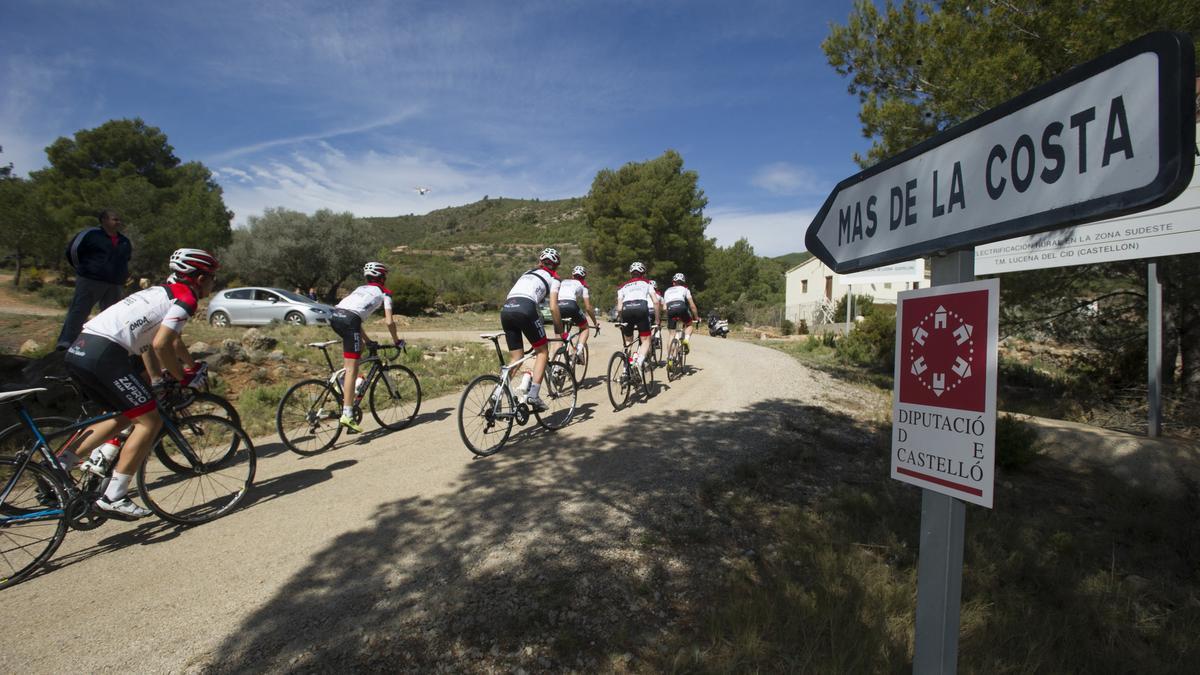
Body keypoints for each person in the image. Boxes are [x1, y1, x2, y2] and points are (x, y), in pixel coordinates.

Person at [61, 248, 218, 519]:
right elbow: (161, 344)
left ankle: (58, 465)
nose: (214, 284)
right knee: (150, 421)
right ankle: (114, 495)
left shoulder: (158, 293)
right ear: (201, 278)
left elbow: (168, 342)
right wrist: (184, 378)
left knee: (124, 416)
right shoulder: (186, 297)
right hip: (106, 356)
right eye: (213, 278)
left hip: (81, 349)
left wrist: (166, 374)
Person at [329, 262, 406, 433]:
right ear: (382, 277)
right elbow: (389, 321)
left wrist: (368, 340)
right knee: (352, 369)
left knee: (360, 347)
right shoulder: (385, 293)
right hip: (350, 321)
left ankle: (342, 382)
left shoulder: (360, 289)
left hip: (336, 316)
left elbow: (354, 317)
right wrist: (396, 341)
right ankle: (347, 414)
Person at [56, 210, 133, 350]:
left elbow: (126, 259)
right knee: (79, 310)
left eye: (119, 220)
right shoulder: (90, 234)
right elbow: (73, 251)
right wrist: (84, 270)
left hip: (115, 283)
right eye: (115, 219)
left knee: (111, 315)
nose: (118, 222)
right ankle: (66, 342)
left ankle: (104, 346)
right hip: (90, 280)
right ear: (104, 220)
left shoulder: (124, 241)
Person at [500, 248, 563, 412]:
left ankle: (498, 394)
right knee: (542, 351)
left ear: (539, 263)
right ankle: (533, 395)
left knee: (516, 357)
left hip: (507, 308)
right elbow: (554, 307)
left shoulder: (527, 273)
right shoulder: (554, 278)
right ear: (556, 266)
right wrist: (560, 331)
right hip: (525, 308)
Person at [616, 261, 661, 375]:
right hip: (641, 308)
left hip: (626, 310)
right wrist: (657, 320)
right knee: (646, 339)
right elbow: (656, 302)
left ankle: (625, 370)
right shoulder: (647, 283)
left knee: (628, 341)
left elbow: (619, 308)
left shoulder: (623, 286)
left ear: (631, 274)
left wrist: (621, 321)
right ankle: (639, 362)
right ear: (643, 273)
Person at [556, 265, 598, 364]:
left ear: (572, 275)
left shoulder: (563, 282)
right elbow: (588, 307)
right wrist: (595, 323)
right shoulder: (583, 285)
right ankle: (578, 350)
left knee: (559, 338)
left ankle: (555, 366)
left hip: (557, 307)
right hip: (571, 305)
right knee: (585, 328)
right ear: (584, 277)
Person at [663, 272, 700, 353]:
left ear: (673, 282)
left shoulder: (667, 291)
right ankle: (686, 340)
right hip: (681, 308)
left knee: (671, 334)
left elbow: (664, 307)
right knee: (689, 324)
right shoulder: (685, 289)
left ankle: (670, 358)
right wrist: (696, 317)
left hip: (670, 309)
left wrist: (669, 315)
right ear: (683, 283)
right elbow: (692, 305)